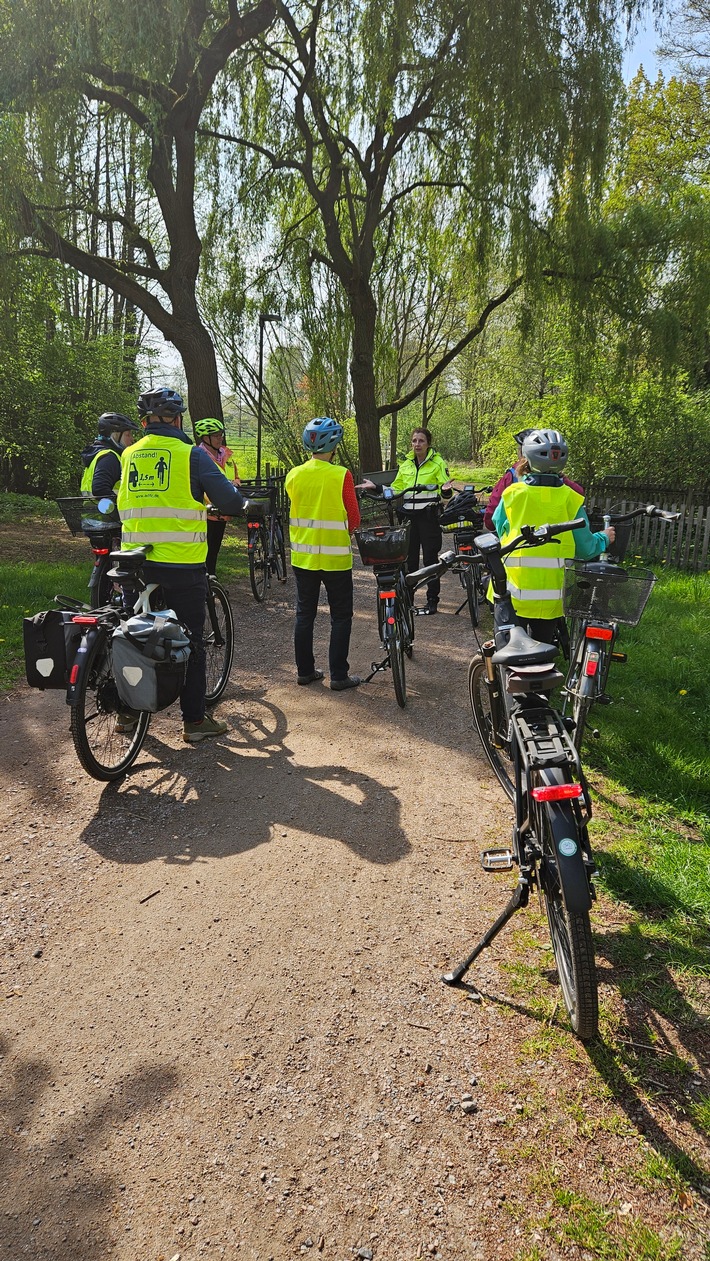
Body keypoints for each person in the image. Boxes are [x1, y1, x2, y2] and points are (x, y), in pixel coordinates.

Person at [116, 387, 248, 742]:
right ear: (177, 420)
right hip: (180, 564)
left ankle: (126, 712)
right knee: (191, 641)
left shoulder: (129, 453)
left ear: (144, 422)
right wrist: (239, 504)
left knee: (133, 635)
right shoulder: (190, 455)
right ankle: (194, 721)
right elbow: (228, 500)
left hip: (135, 562)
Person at [491, 428, 614, 646]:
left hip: (512, 593)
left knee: (509, 652)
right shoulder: (571, 499)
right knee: (543, 652)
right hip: (551, 600)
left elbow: (499, 528)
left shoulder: (512, 495)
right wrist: (603, 538)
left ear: (526, 458)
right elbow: (585, 548)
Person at [284, 417, 361, 690]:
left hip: (303, 557)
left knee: (305, 614)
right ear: (334, 446)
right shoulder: (341, 475)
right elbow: (354, 517)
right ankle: (338, 676)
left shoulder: (294, 475)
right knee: (340, 616)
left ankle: (305, 671)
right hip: (335, 558)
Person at [358, 427, 453, 613]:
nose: (417, 444)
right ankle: (408, 600)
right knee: (409, 561)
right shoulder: (406, 465)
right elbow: (396, 489)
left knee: (430, 559)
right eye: (414, 441)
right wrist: (376, 487)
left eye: (421, 441)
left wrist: (446, 491)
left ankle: (432, 600)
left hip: (428, 517)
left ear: (428, 443)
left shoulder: (438, 463)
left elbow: (445, 490)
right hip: (409, 518)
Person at [484, 427, 584, 531]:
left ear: (524, 453)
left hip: (519, 540)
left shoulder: (511, 486)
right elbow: (580, 497)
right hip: (560, 540)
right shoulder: (570, 492)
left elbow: (492, 521)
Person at [193, 418, 242, 575]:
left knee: (214, 550)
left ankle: (211, 579)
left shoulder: (227, 456)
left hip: (222, 509)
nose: (220, 438)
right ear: (205, 438)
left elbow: (235, 476)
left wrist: (235, 483)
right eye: (216, 436)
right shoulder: (198, 456)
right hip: (206, 511)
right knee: (204, 551)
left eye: (221, 434)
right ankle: (205, 580)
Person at [79, 413, 142, 530]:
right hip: (106, 522)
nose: (132, 439)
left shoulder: (98, 454)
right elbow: (100, 489)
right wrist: (123, 506)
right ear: (115, 435)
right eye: (128, 434)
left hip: (93, 519)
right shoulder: (109, 458)